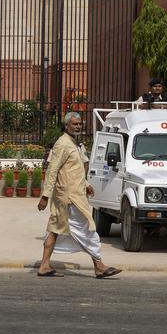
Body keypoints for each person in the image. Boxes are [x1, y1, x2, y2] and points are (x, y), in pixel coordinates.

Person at [35, 112, 122, 279]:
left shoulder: (74, 144)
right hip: (68, 198)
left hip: (75, 194)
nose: (78, 126)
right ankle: (99, 265)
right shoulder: (62, 144)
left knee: (54, 229)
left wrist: (87, 184)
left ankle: (44, 265)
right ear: (66, 126)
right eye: (75, 124)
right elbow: (52, 171)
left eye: (80, 124)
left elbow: (74, 171)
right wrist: (45, 196)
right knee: (87, 229)